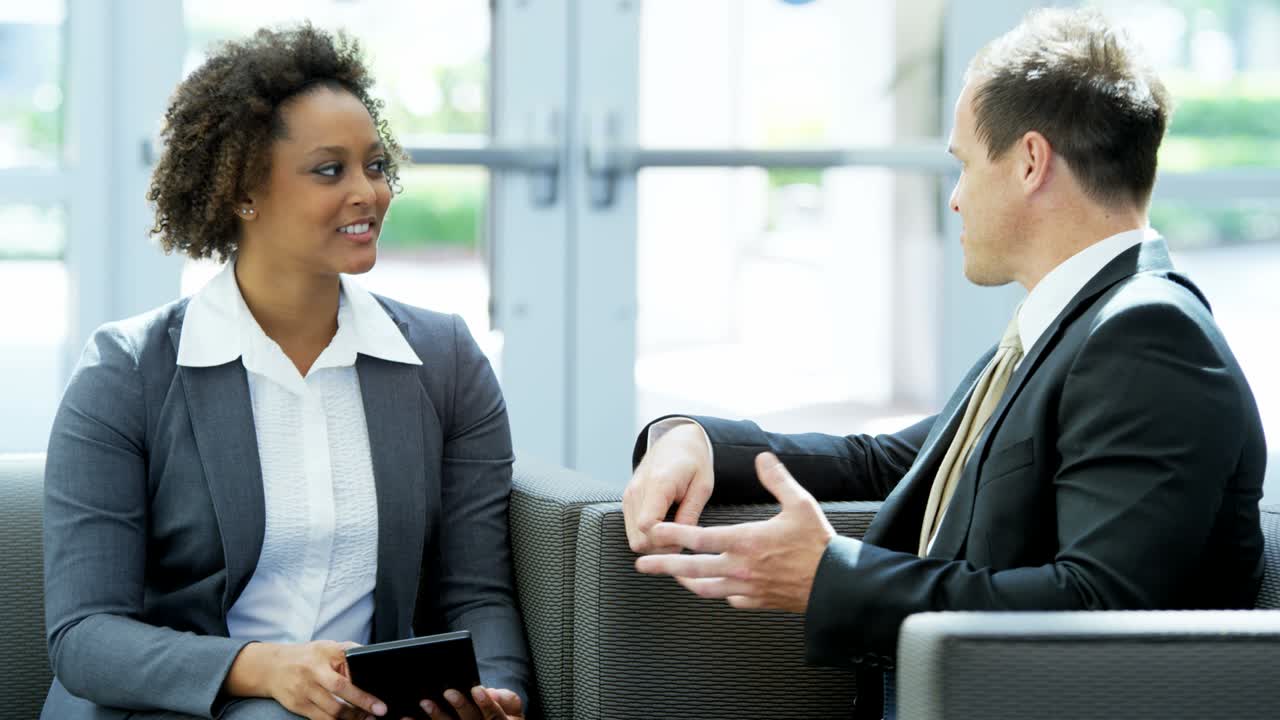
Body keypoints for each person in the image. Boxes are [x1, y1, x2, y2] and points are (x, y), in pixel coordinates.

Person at [622, 8, 1266, 719]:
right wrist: (699, 440)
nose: (955, 198)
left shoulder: (1147, 339)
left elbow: (1097, 612)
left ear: (1030, 161)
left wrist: (833, 579)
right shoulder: (1073, 329)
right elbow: (891, 462)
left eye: (964, 164)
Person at [42, 25, 531, 720]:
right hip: (173, 708)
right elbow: (86, 636)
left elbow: (476, 592)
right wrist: (264, 668)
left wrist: (498, 693)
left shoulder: (445, 361)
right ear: (244, 191)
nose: (368, 192)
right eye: (330, 171)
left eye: (375, 166)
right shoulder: (127, 374)